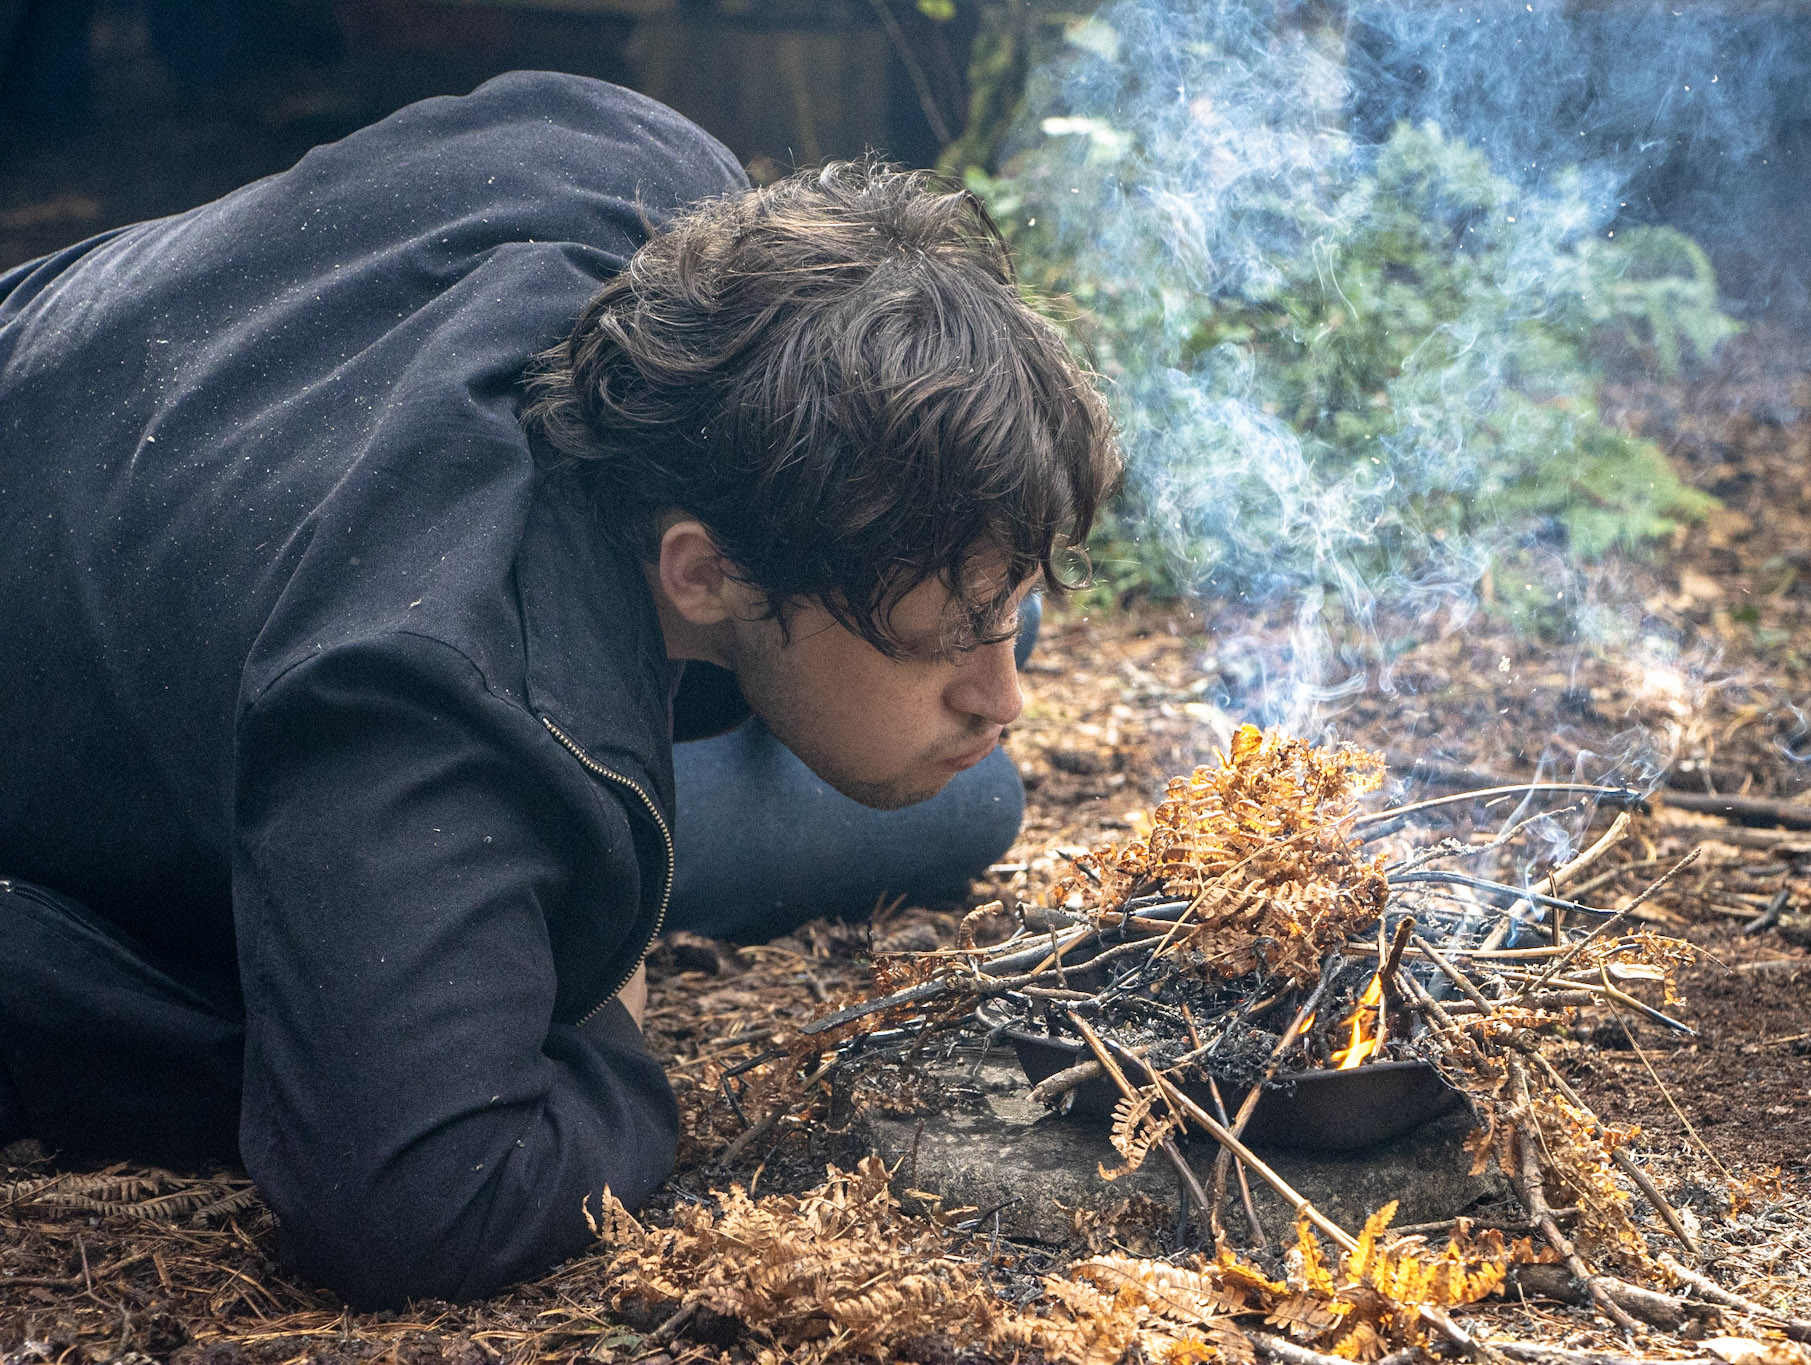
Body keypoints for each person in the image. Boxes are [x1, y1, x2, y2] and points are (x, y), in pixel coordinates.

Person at [0, 71, 1118, 1306]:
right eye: (945, 641)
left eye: (1008, 619)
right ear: (702, 573)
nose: (1003, 691)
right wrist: (609, 1021)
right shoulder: (422, 698)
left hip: (121, 447)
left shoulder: (659, 198)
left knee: (967, 800)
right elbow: (422, 1204)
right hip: (101, 738)